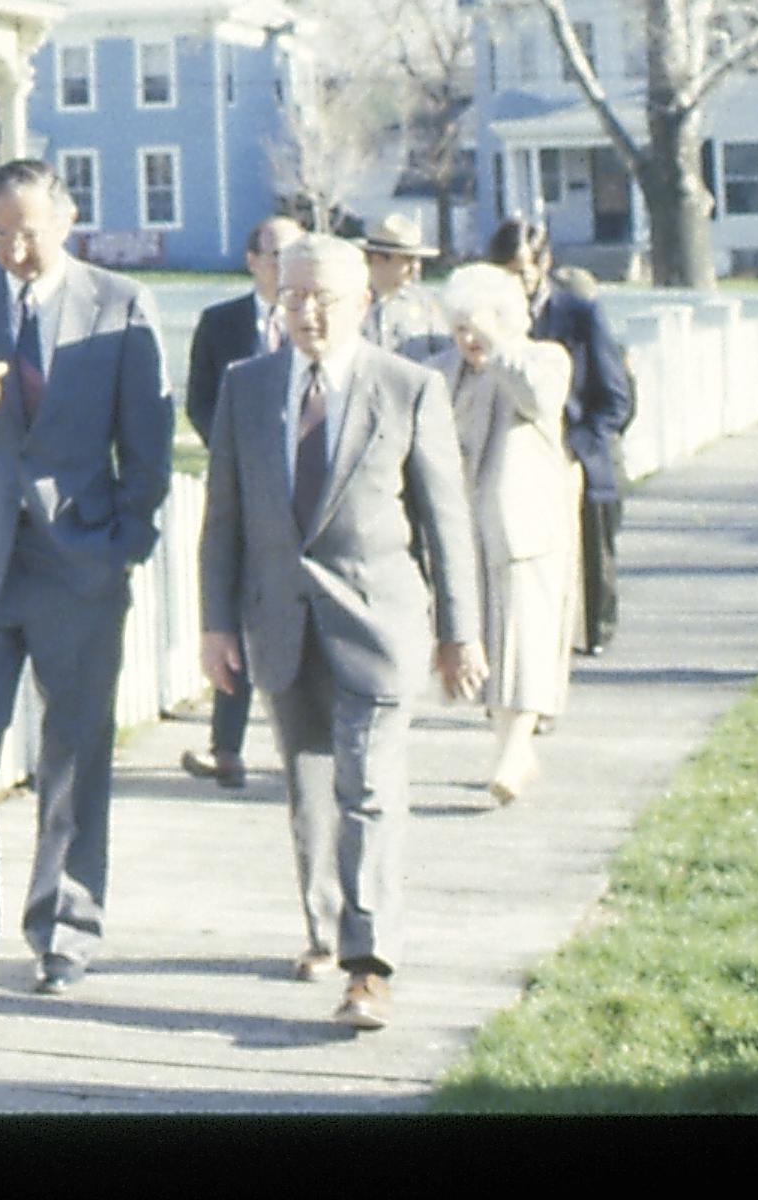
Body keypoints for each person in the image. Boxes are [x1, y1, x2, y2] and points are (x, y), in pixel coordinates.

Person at [0, 158, 172, 996]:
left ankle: (66, 933)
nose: (16, 249)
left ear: (68, 219)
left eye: (32, 232)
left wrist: (121, 543)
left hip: (79, 567)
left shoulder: (121, 305)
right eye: (0, 233)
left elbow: (150, 449)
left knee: (75, 756)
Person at [199, 234, 484, 1033]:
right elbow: (223, 519)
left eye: (325, 297)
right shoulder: (245, 388)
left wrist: (460, 632)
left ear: (364, 301)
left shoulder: (408, 389)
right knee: (310, 789)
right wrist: (216, 624)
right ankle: (325, 929)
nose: (309, 312)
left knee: (368, 787)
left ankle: (370, 966)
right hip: (280, 625)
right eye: (293, 297)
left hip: (378, 622)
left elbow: (446, 523)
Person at [433, 262, 580, 801]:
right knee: (485, 645)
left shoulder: (543, 360)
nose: (469, 338)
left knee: (525, 639)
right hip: (464, 527)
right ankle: (510, 747)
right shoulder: (445, 370)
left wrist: (497, 349)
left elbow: (537, 399)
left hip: (525, 525)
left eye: (478, 324)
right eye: (460, 327)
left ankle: (516, 751)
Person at [179, 215, 303, 791]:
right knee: (232, 609)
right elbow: (200, 401)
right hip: (243, 490)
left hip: (307, 491)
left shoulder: (319, 320)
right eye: (276, 253)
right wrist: (233, 455)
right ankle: (225, 745)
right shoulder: (221, 324)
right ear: (253, 260)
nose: (285, 265)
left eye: (296, 253)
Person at [489, 218, 634, 655]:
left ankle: (589, 640)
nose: (514, 282)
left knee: (590, 568)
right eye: (505, 273)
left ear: (544, 263)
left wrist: (575, 449)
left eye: (522, 271)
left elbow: (615, 400)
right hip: (518, 463)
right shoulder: (491, 321)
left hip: (577, 456)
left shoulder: (578, 315)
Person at [360, 214, 449, 359]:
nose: (416, 267)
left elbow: (444, 354)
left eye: (418, 260)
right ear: (378, 259)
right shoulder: (348, 301)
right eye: (408, 259)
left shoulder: (426, 304)